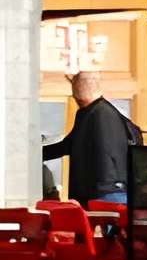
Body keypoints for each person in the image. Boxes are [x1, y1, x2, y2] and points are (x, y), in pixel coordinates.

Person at [41, 69, 132, 206]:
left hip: (103, 193)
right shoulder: (100, 112)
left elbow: (69, 146)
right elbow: (68, 145)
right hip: (109, 190)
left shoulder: (96, 114)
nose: (74, 97)